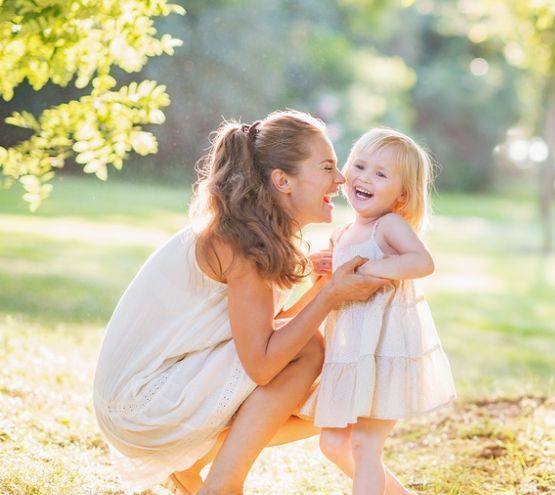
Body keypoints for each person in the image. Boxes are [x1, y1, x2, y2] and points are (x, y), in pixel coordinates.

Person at [92, 110, 391, 495]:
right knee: (312, 350)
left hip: (151, 391)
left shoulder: (256, 233)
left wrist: (322, 286)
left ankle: (193, 465)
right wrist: (331, 296)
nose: (341, 179)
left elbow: (261, 332)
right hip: (140, 404)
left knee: (333, 389)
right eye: (327, 167)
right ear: (282, 181)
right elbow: (264, 364)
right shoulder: (242, 244)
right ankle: (222, 484)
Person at [299, 128, 456, 495]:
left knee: (364, 446)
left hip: (384, 353)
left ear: (401, 194)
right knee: (333, 443)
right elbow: (337, 284)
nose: (364, 178)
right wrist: (323, 266)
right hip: (352, 354)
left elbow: (422, 261)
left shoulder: (389, 225)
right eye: (359, 166)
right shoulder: (345, 233)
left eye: (380, 174)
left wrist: (368, 269)